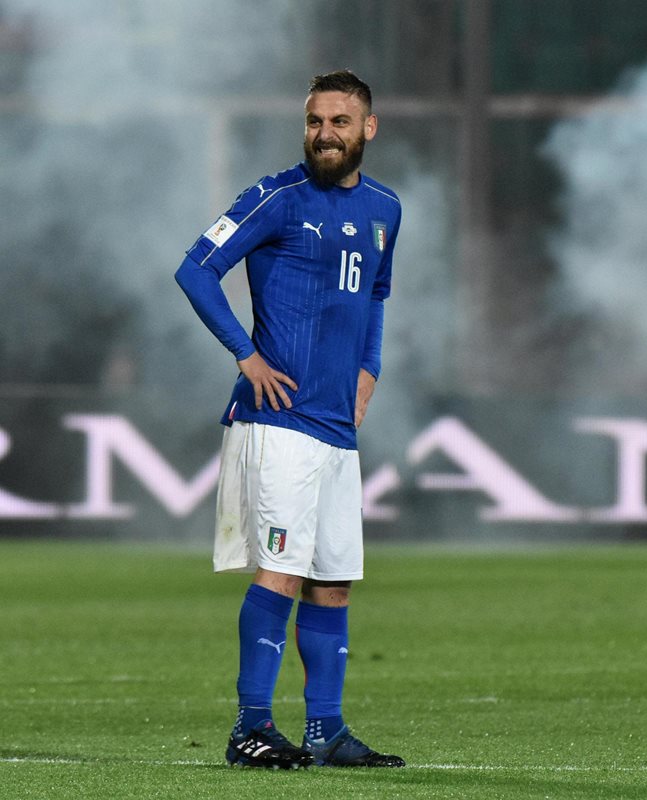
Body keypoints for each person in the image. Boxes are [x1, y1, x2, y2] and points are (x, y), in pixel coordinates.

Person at [175, 70, 405, 769]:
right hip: (277, 422)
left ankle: (325, 732)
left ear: (368, 128)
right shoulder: (274, 197)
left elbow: (376, 296)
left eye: (339, 121)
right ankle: (250, 729)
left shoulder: (386, 209)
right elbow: (195, 270)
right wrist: (246, 356)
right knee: (279, 569)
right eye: (314, 121)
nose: (324, 133)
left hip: (337, 427)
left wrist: (371, 369)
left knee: (332, 579)